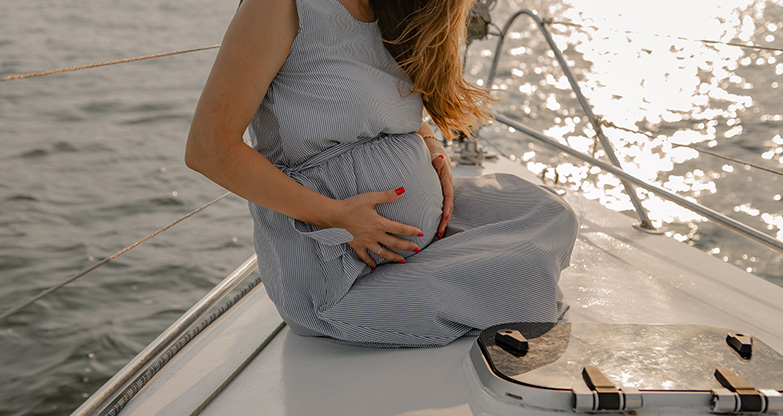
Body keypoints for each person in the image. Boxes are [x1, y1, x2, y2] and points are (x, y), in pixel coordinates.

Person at [185, 0, 578, 347]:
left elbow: (384, 104)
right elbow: (209, 148)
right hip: (341, 267)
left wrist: (432, 147)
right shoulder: (282, 6)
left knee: (550, 213)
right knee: (520, 276)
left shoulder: (391, 8)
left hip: (419, 237)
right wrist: (335, 216)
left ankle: (458, 269)